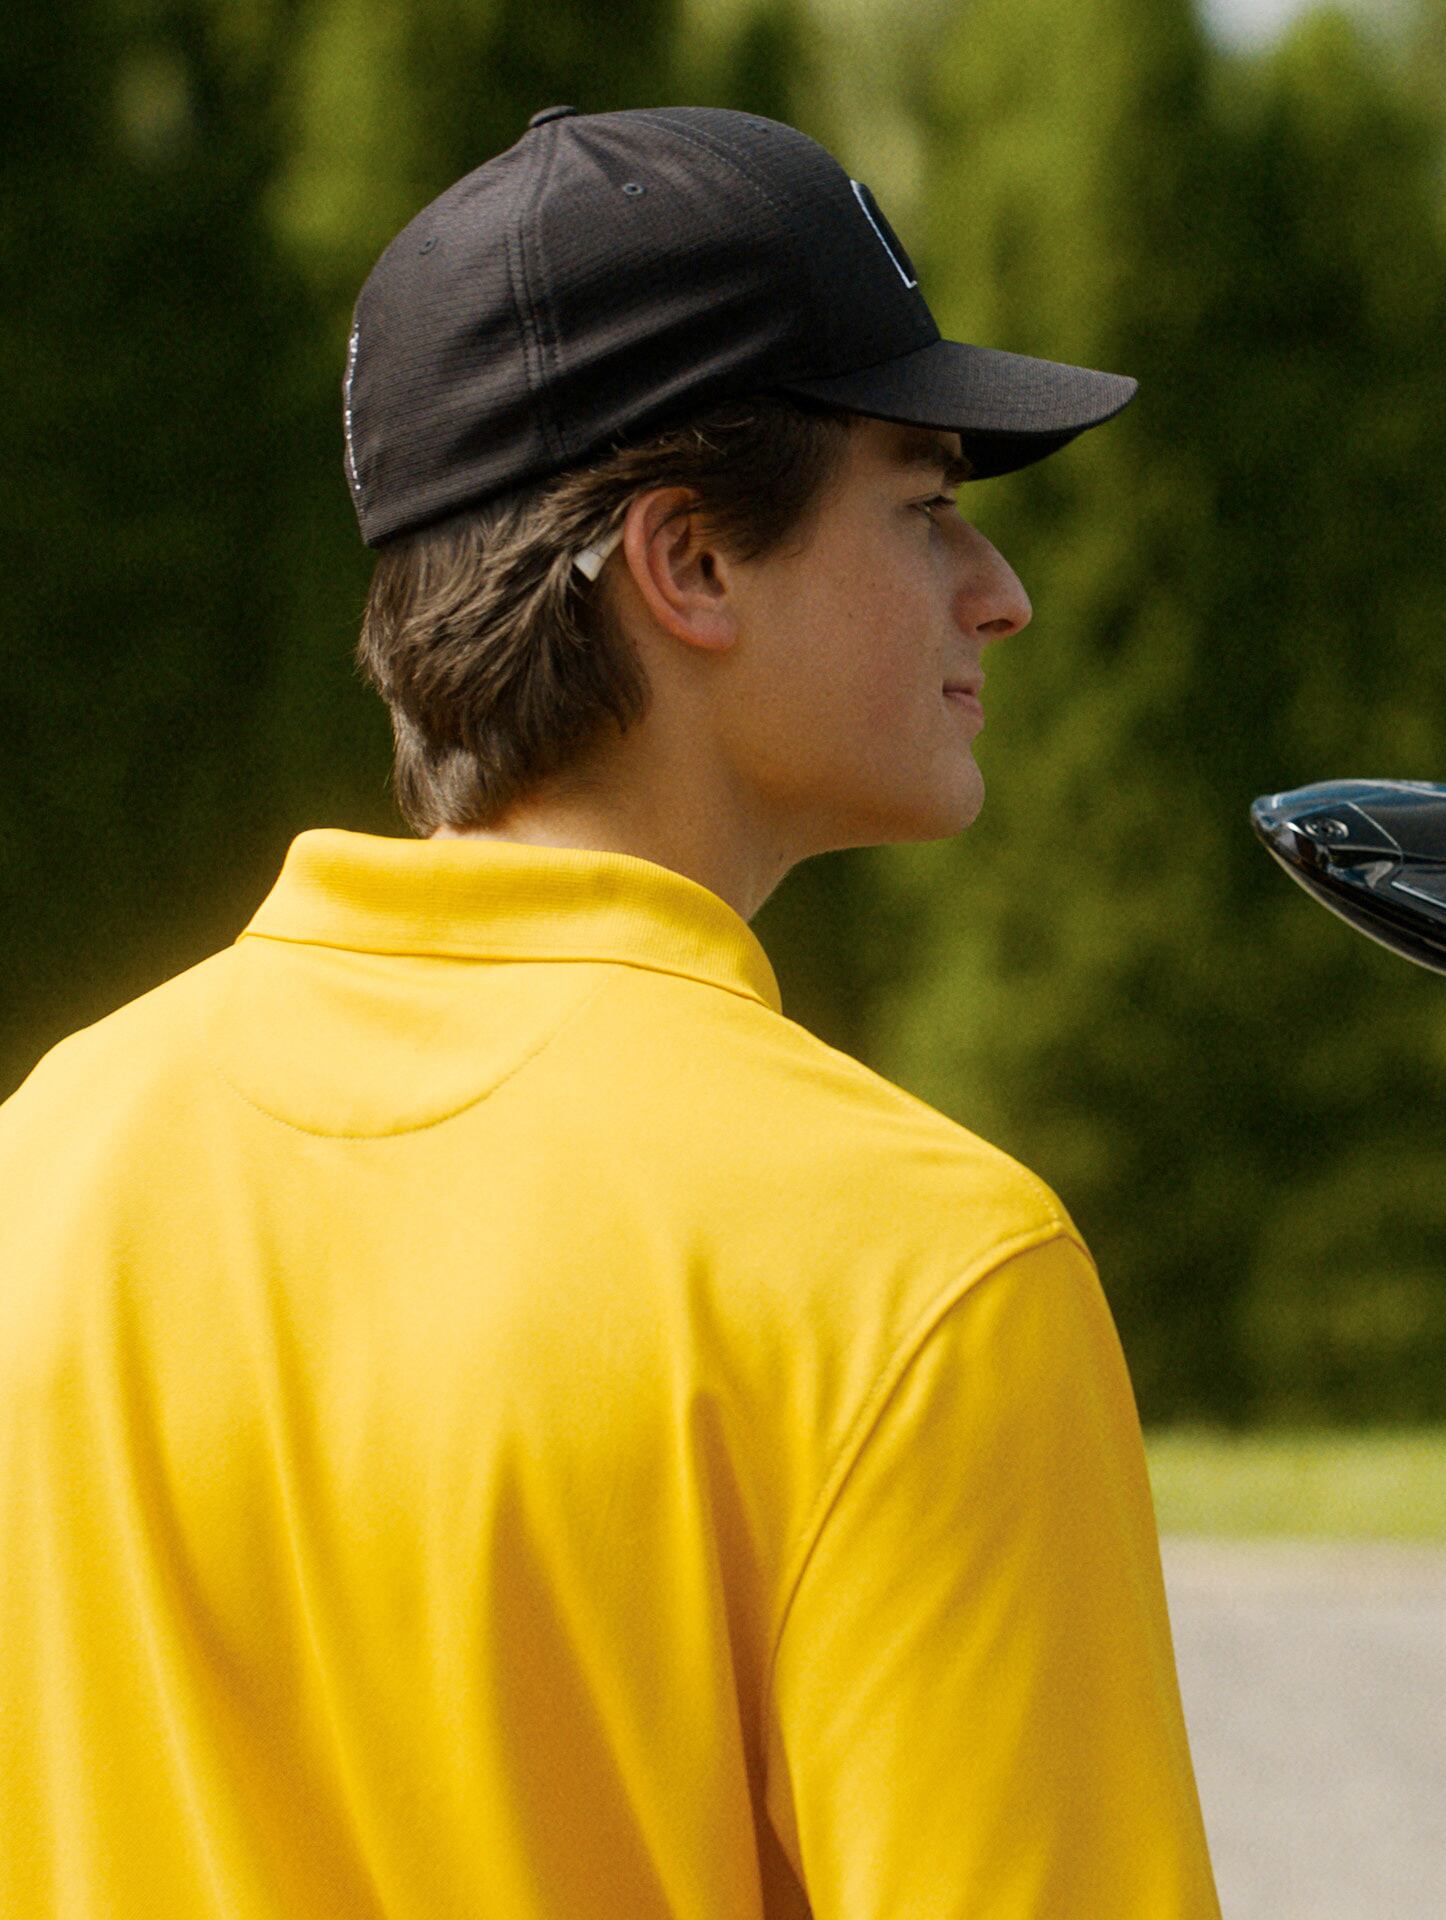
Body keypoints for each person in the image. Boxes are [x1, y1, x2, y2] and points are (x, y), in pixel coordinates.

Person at [0, 107, 1219, 1917]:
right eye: (928, 506)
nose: (1002, 594)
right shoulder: (920, 1271)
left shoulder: (49, 1160)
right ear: (690, 565)